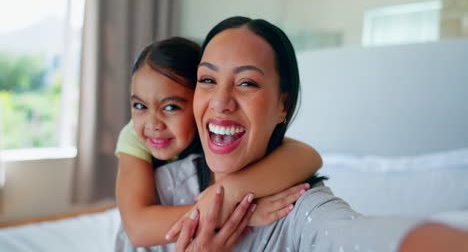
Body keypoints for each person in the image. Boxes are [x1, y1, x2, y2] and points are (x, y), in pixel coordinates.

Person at [162, 16, 468, 251]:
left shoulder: (301, 210)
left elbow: (359, 237)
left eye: (247, 83)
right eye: (207, 79)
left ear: (283, 105)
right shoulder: (165, 182)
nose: (220, 101)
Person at [114, 37, 324, 250]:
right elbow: (138, 228)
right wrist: (231, 212)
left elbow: (308, 156)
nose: (153, 124)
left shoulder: (214, 127)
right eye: (139, 105)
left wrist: (233, 191)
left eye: (170, 108)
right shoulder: (134, 136)